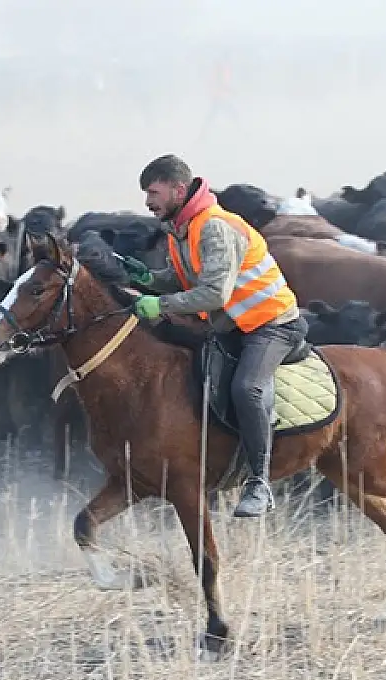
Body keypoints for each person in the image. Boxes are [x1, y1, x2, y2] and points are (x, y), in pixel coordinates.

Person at [121, 154, 305, 518]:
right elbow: (184, 278)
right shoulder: (180, 228)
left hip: (271, 325)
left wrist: (161, 306)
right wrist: (148, 279)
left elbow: (213, 294)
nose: (147, 202)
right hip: (232, 327)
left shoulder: (214, 227)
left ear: (177, 189)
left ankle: (260, 482)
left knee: (247, 387)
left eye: (153, 192)